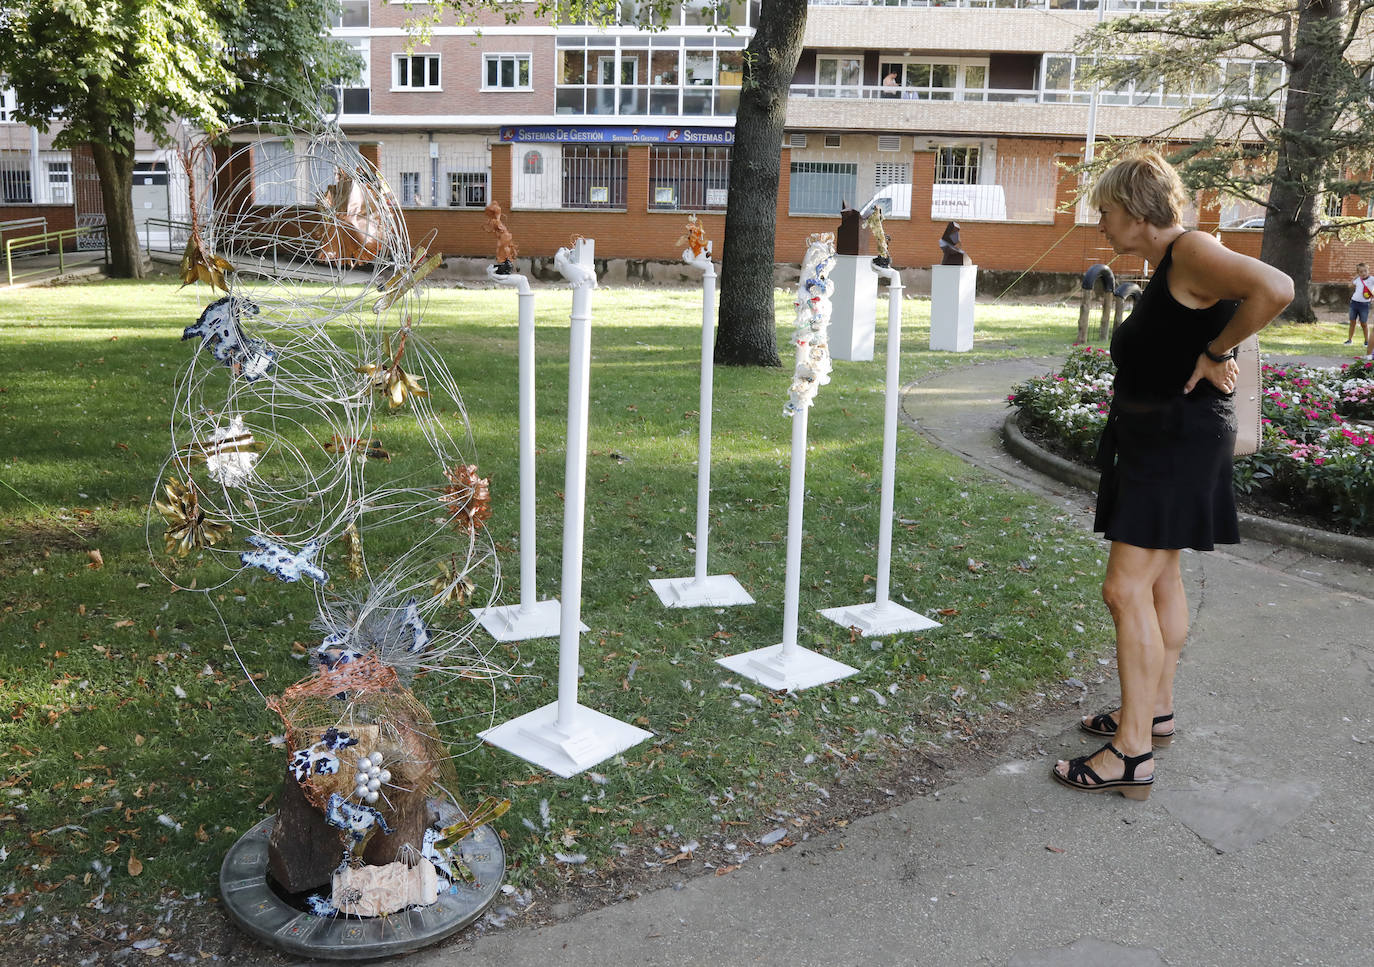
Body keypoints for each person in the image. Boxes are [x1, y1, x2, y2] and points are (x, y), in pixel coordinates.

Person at [1052, 150, 1293, 800]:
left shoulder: (1190, 251)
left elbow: (1277, 287)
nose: (1101, 223)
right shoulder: (1173, 263)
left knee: (1124, 590)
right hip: (1165, 438)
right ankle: (1153, 712)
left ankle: (1131, 751)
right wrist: (1210, 348)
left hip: (1175, 443)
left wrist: (1216, 351)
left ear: (1133, 209)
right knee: (1160, 581)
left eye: (1104, 210)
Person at [1346, 262, 1371, 349]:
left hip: (1364, 305)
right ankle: (1349, 340)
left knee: (1364, 323)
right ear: (1358, 273)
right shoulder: (1358, 279)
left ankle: (1367, 341)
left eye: (1365, 271)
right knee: (1352, 322)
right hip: (1354, 303)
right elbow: (1349, 286)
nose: (1363, 273)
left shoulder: (1371, 279)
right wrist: (1355, 277)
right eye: (1361, 272)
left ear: (1368, 271)